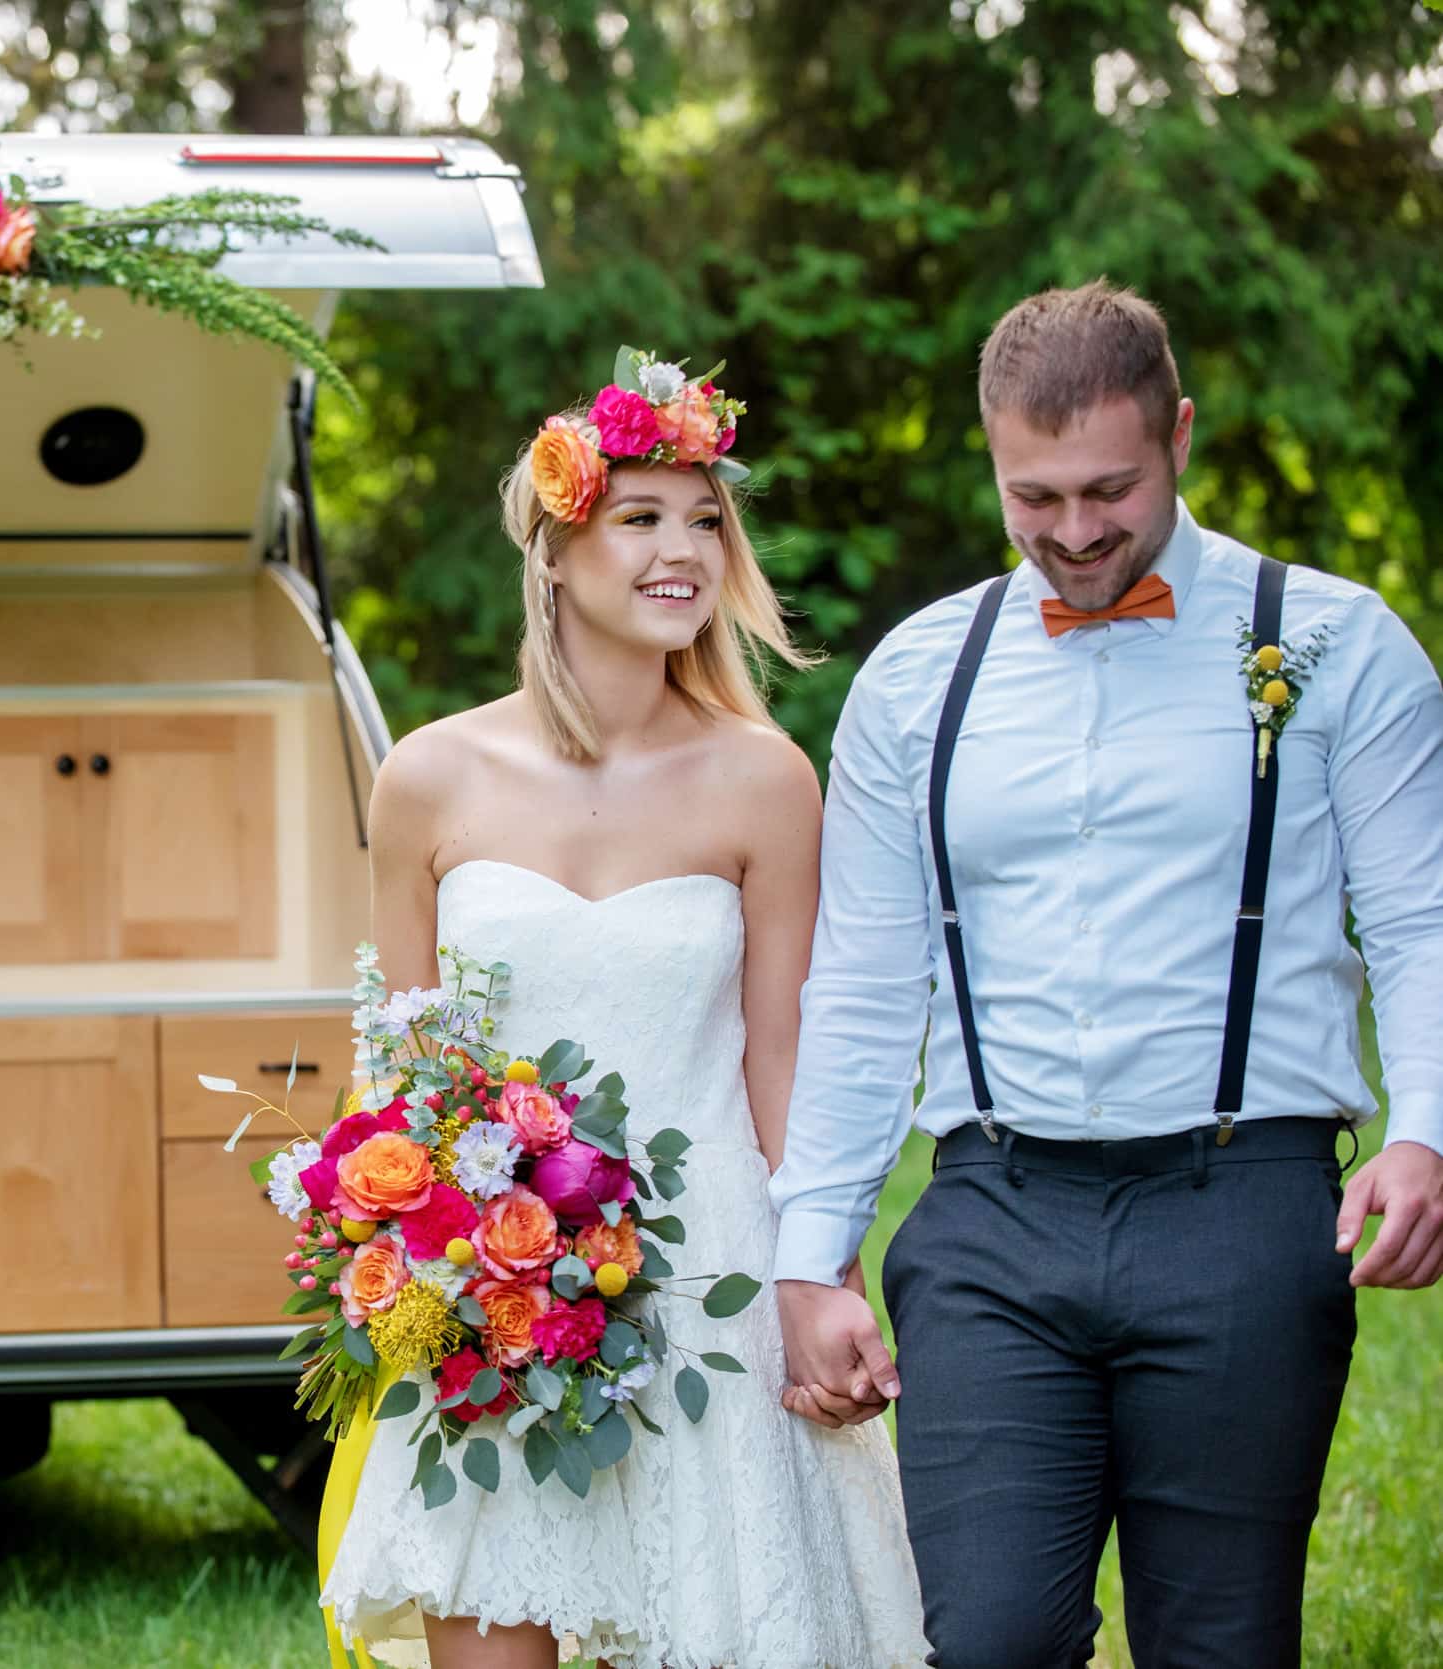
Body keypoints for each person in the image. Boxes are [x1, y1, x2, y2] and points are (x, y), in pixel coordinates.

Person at [771, 279, 1443, 1668]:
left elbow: (1424, 920)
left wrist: (1427, 1127)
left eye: (1109, 490)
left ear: (1180, 434)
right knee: (993, 1638)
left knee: (1222, 1639)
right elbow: (864, 978)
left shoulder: (1339, 644)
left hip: (1243, 1206)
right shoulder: (916, 678)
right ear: (992, 462)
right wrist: (810, 1251)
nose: (1075, 533)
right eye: (1037, 497)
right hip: (992, 1219)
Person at [317, 356, 929, 1668]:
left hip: (715, 1279)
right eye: (640, 516)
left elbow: (783, 1063)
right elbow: (407, 1072)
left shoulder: (766, 779)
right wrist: (429, 1260)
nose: (683, 549)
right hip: (499, 1282)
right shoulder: (428, 779)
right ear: (556, 543)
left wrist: (825, 1277)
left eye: (706, 519)